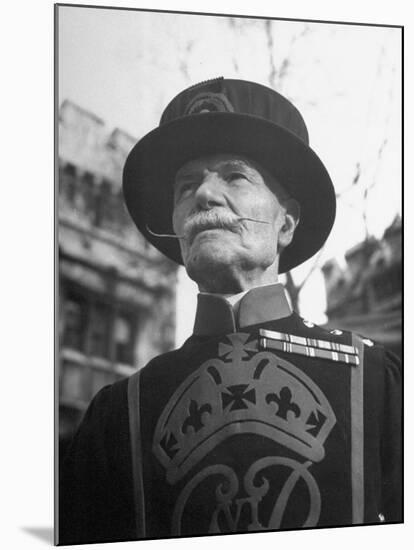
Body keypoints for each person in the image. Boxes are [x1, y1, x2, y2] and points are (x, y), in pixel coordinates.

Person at [58, 78, 402, 545]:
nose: (203, 195)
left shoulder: (379, 383)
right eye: (186, 186)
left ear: (287, 222)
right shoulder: (116, 418)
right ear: (177, 230)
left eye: (235, 176)